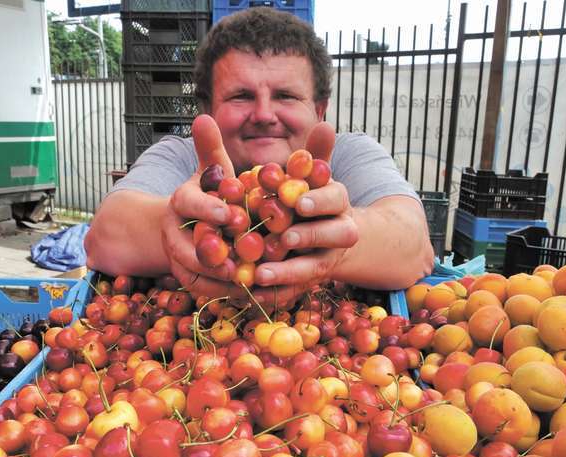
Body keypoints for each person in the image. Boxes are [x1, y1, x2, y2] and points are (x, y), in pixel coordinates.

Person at [85, 7, 434, 306]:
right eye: (241, 96)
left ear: (320, 109)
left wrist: (326, 242)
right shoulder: (182, 155)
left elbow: (414, 244)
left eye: (285, 96)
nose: (264, 114)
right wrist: (183, 230)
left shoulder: (347, 154)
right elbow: (104, 237)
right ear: (208, 109)